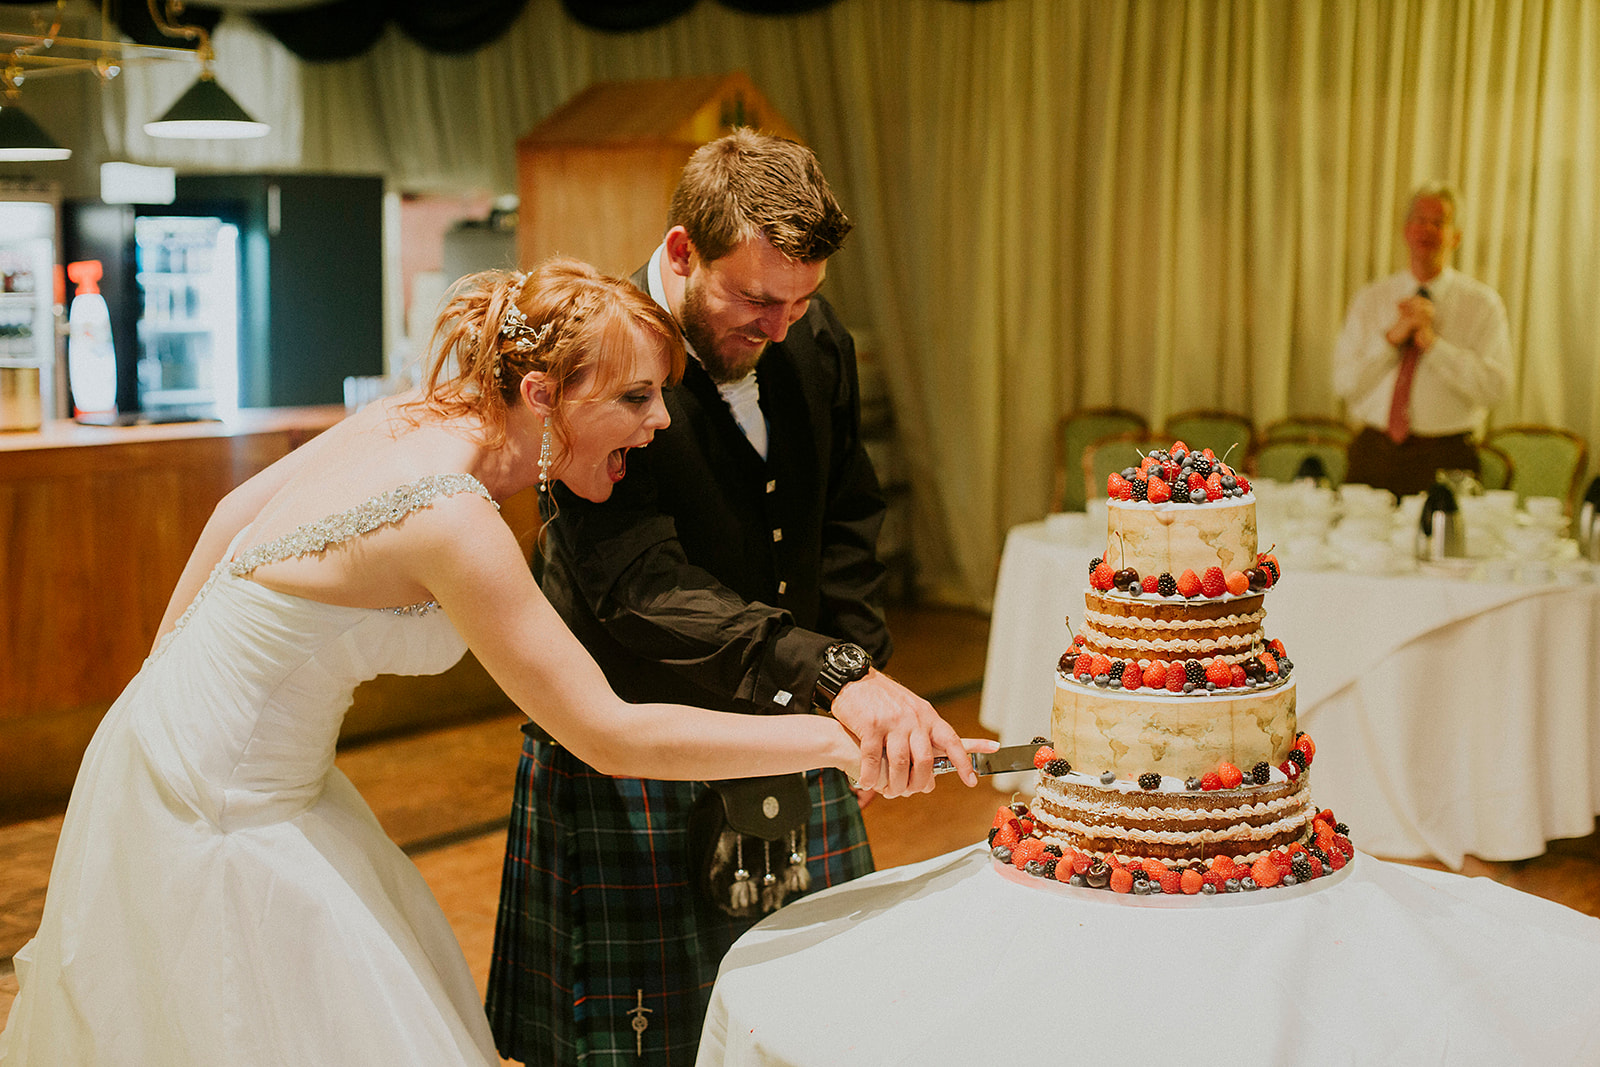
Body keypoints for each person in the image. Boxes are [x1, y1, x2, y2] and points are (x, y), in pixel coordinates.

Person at [0, 259, 989, 1066]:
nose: (656, 424)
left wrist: (157, 688)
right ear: (539, 395)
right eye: (636, 397)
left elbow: (227, 518)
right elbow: (606, 730)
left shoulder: (411, 414)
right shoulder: (451, 515)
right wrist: (833, 735)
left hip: (196, 751)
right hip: (217, 805)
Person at [486, 130, 969, 1065]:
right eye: (755, 297)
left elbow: (847, 516)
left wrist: (858, 671)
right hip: (636, 759)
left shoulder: (812, 337)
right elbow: (643, 585)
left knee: (814, 1026)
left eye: (800, 300)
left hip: (796, 724)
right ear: (680, 252)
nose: (781, 325)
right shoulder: (597, 366)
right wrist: (829, 677)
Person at [1334, 182, 1512, 498]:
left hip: (1447, 454)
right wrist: (1392, 339)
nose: (1426, 229)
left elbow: (1495, 388)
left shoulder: (1482, 304)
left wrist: (1433, 344)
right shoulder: (1371, 299)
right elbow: (1344, 383)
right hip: (1374, 451)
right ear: (1405, 230)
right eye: (1419, 220)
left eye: (1439, 222)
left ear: (1455, 236)